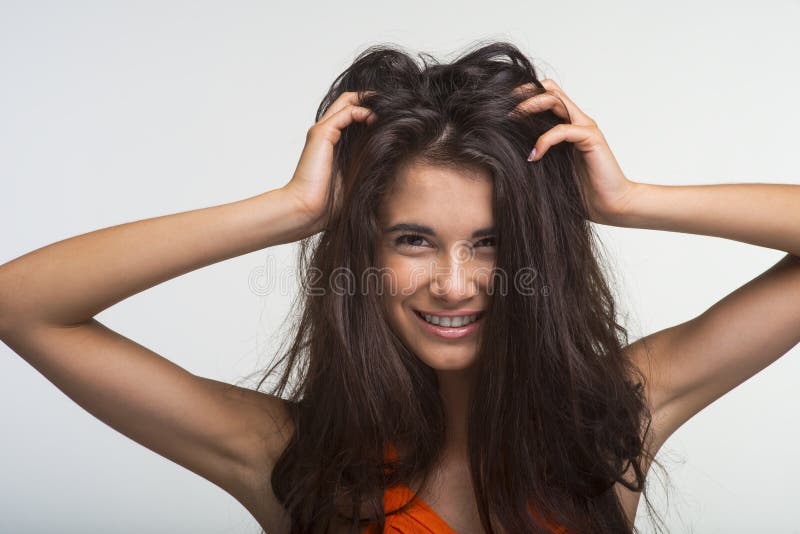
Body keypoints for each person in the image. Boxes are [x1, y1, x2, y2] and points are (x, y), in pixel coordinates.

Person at [1, 40, 799, 534]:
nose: (454, 285)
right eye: (413, 240)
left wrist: (630, 202)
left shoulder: (615, 420)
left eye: (493, 244)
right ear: (364, 252)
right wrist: (293, 210)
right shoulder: (288, 458)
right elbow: (22, 304)